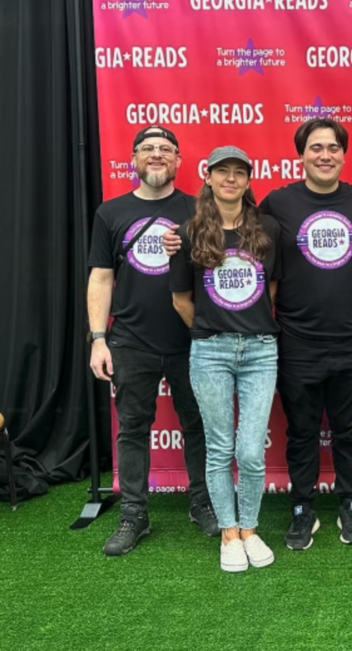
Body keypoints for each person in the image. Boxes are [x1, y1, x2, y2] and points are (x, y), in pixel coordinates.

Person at [163, 119, 352, 550]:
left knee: (349, 429)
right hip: (296, 338)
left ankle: (350, 503)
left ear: (343, 154)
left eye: (333, 147)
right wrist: (177, 243)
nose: (324, 155)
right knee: (301, 431)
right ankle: (302, 509)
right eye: (315, 147)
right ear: (301, 155)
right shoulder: (278, 204)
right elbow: (239, 244)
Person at [87, 125, 218, 557]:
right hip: (130, 341)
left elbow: (218, 268)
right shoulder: (111, 212)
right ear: (134, 160)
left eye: (166, 149)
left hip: (191, 339)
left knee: (198, 426)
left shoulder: (199, 209)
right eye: (148, 149)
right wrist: (98, 339)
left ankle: (202, 504)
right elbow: (102, 277)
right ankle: (134, 515)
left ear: (180, 161)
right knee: (133, 429)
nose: (157, 155)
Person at [169, 146, 282, 573]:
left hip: (259, 350)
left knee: (251, 450)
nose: (230, 179)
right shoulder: (189, 231)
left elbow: (270, 291)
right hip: (211, 349)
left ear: (249, 180)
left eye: (239, 172)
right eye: (222, 172)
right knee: (219, 447)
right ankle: (228, 533)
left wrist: (246, 323)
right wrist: (210, 328)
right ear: (209, 177)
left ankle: (250, 528)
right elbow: (181, 299)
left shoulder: (267, 228)